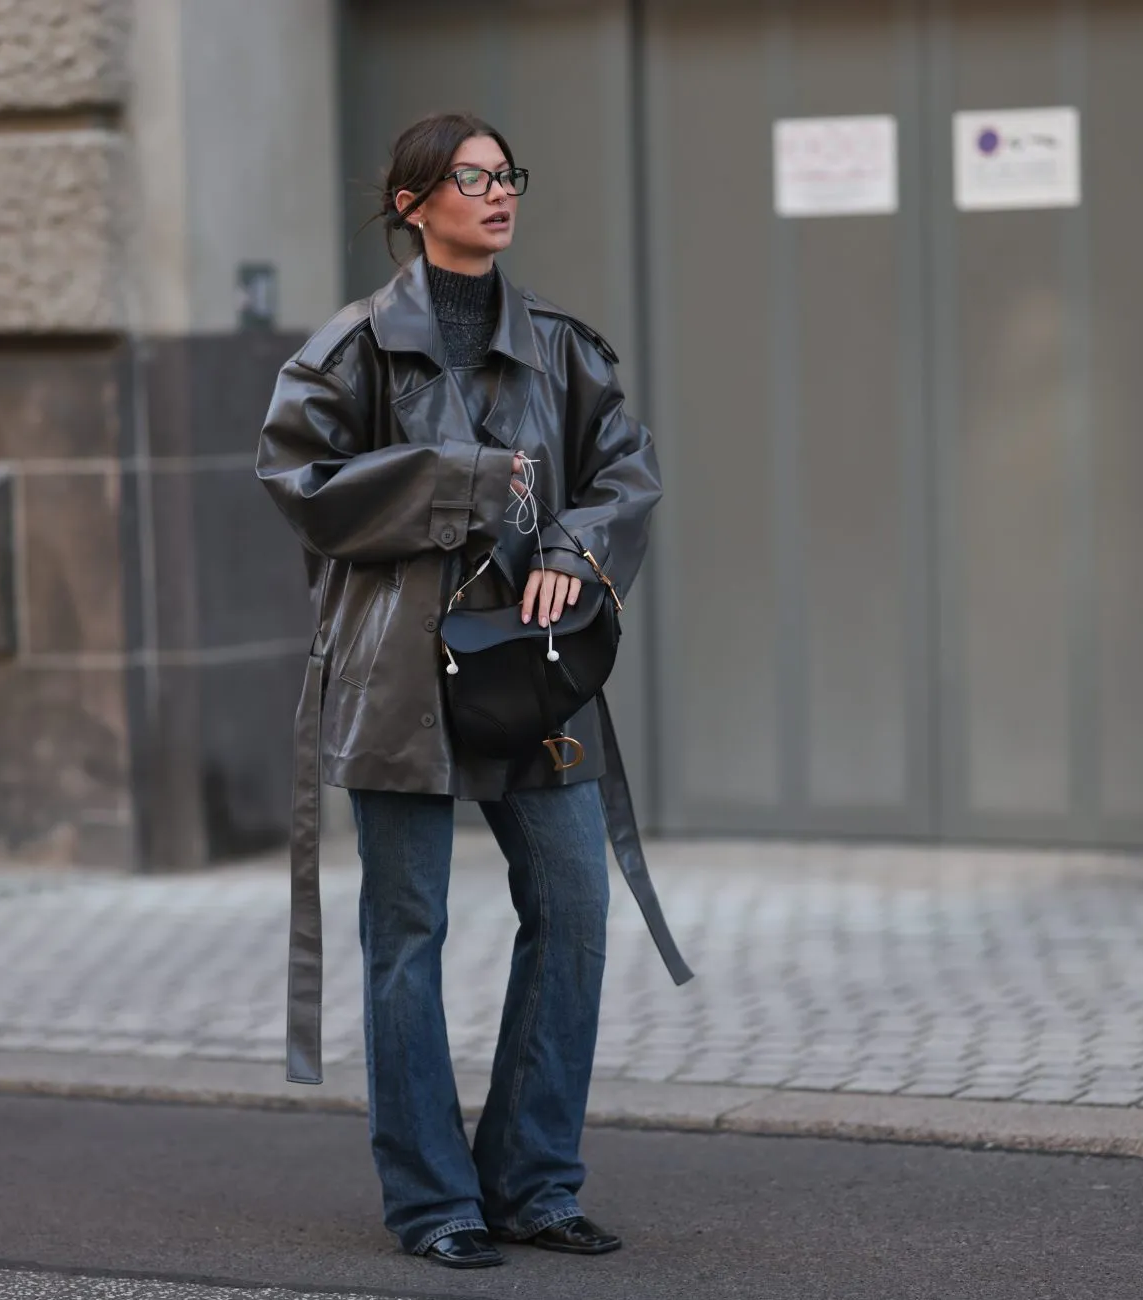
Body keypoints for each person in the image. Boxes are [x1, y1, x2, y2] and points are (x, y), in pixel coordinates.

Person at [256, 111, 689, 1270]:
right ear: (411, 203)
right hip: (396, 674)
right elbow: (298, 480)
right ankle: (430, 1200)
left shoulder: (561, 347)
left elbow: (623, 472)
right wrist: (456, 484)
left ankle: (533, 1182)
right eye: (472, 177)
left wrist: (569, 549)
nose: (498, 194)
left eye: (509, 176)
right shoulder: (345, 351)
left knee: (575, 913)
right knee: (407, 933)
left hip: (529, 675)